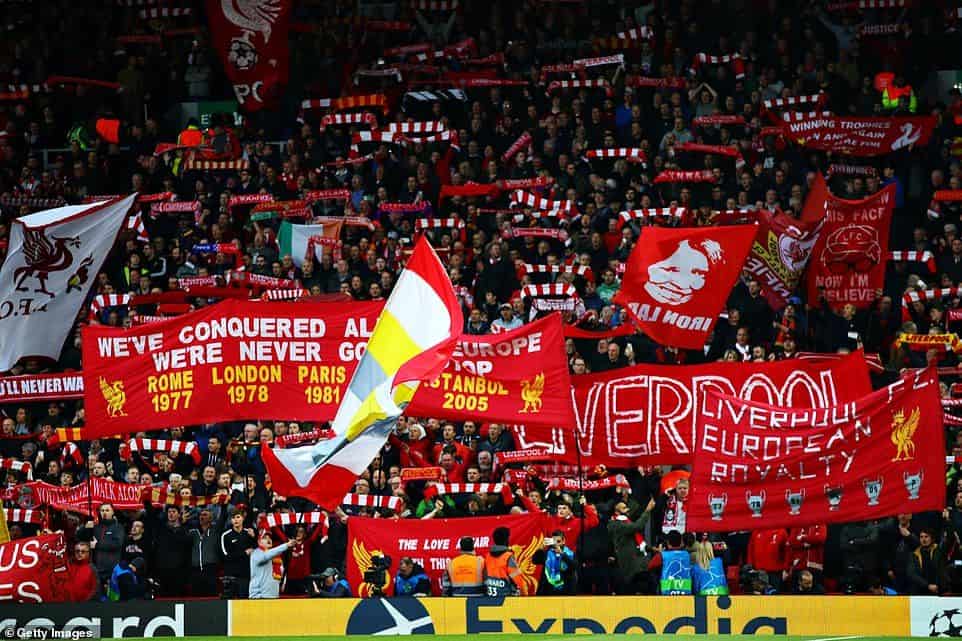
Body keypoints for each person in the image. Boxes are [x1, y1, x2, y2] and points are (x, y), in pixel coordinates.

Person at [608, 498, 655, 595]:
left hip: (638, 564)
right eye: (624, 508)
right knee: (630, 591)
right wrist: (647, 510)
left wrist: (652, 549)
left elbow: (636, 542)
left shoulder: (627, 522)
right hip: (629, 566)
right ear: (617, 512)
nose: (627, 509)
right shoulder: (615, 524)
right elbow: (637, 527)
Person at [77, 503, 126, 589]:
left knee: (111, 598)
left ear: (113, 512)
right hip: (96, 569)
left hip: (111, 570)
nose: (104, 512)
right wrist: (86, 527)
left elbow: (117, 544)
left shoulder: (118, 527)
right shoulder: (96, 527)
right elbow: (79, 537)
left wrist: (97, 545)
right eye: (102, 510)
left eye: (107, 510)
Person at [221, 509, 256, 598]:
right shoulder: (226, 535)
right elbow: (226, 556)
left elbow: (256, 551)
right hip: (231, 575)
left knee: (244, 602)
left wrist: (254, 538)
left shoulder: (248, 533)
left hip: (245, 575)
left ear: (243, 519)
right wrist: (244, 553)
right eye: (233, 518)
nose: (235, 520)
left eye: (238, 517)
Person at [483, 526, 524, 596]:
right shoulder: (508, 556)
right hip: (506, 597)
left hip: (490, 596)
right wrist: (524, 593)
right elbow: (517, 579)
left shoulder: (487, 556)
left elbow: (484, 576)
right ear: (507, 540)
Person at [248, 531, 291, 599]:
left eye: (270, 538)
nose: (268, 539)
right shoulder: (256, 553)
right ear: (259, 542)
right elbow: (266, 556)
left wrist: (283, 583)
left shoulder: (276, 556)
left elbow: (282, 572)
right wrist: (286, 545)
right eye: (265, 538)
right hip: (259, 596)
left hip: (273, 596)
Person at [907, 528, 949, 595]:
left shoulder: (939, 551)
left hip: (939, 591)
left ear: (932, 538)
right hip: (920, 591)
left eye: (926, 537)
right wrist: (928, 585)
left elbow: (942, 571)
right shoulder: (914, 555)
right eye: (921, 537)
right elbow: (911, 574)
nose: (923, 539)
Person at [542, 530, 577, 595]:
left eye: (558, 541)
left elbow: (574, 566)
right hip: (551, 590)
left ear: (563, 541)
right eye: (554, 541)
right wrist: (542, 548)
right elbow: (535, 560)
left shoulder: (570, 554)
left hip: (567, 590)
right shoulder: (547, 553)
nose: (556, 544)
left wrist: (562, 554)